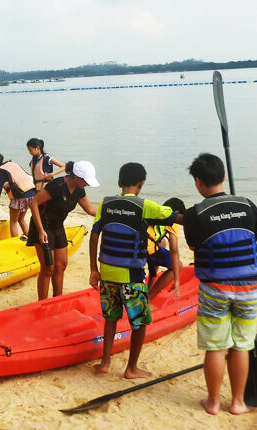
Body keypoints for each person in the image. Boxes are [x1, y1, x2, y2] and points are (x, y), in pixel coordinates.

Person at [183, 153, 257, 416]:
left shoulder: (193, 215)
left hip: (215, 289)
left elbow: (194, 246)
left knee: (216, 346)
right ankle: (238, 402)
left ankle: (212, 403)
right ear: (222, 177)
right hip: (249, 289)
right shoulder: (248, 205)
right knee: (242, 345)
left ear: (198, 182)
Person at [89, 162, 180, 379]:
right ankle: (131, 369)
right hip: (132, 275)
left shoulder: (105, 203)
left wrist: (94, 269)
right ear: (141, 184)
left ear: (119, 183)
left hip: (107, 272)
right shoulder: (145, 206)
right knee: (139, 322)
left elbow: (94, 236)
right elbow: (175, 217)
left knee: (111, 318)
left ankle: (104, 363)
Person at [29, 161, 99, 300]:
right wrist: (41, 231)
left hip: (58, 227)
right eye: (85, 181)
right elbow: (34, 203)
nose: (87, 184)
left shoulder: (79, 190)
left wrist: (111, 213)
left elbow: (91, 210)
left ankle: (57, 299)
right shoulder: (57, 186)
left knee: (61, 265)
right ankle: (41, 303)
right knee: (48, 268)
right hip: (42, 227)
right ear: (77, 177)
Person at [0, 152, 43, 238]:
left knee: (13, 222)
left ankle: (15, 242)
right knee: (21, 219)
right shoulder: (11, 164)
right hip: (31, 194)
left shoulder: (1, 173)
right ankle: (30, 239)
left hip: (20, 198)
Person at [146, 198, 185, 300]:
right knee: (178, 265)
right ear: (177, 213)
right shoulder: (172, 218)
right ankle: (149, 298)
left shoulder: (156, 211)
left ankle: (150, 285)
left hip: (135, 247)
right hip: (147, 251)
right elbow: (174, 249)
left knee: (162, 243)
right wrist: (176, 280)